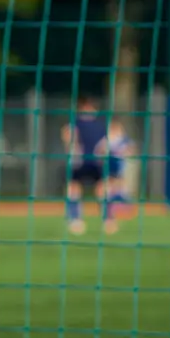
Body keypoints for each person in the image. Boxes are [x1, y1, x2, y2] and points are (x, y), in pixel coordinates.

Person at [62, 96, 111, 235]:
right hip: (94, 161)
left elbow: (68, 137)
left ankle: (76, 220)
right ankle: (107, 220)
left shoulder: (75, 123)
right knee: (100, 188)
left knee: (75, 187)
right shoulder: (100, 125)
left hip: (81, 160)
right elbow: (104, 144)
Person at [105, 117, 135, 227]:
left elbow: (131, 149)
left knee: (121, 188)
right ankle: (110, 211)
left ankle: (126, 207)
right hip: (109, 167)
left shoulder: (124, 140)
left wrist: (125, 152)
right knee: (109, 189)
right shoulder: (107, 140)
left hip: (121, 167)